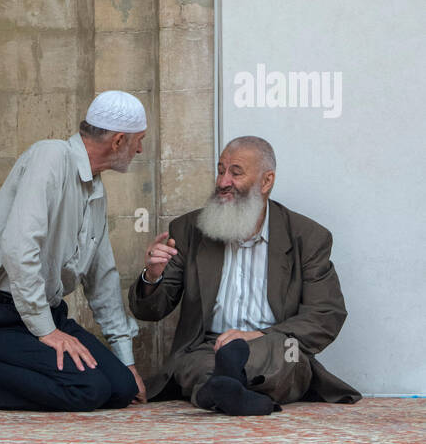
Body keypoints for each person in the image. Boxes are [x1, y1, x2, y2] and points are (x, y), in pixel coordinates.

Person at [0, 91, 148, 411]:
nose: (140, 149)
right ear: (118, 141)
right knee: (88, 390)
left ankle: (4, 365)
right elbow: (19, 247)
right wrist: (46, 330)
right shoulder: (50, 156)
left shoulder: (96, 191)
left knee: (120, 389)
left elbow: (102, 278)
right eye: (138, 140)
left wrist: (126, 359)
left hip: (45, 314)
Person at [129, 135, 361, 414]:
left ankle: (217, 390)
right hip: (209, 347)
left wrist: (258, 336)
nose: (223, 182)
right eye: (220, 170)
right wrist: (153, 276)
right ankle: (232, 389)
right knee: (195, 364)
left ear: (266, 181)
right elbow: (151, 311)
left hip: (274, 344)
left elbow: (326, 314)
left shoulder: (307, 237)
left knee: (284, 359)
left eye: (235, 173)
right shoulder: (189, 229)